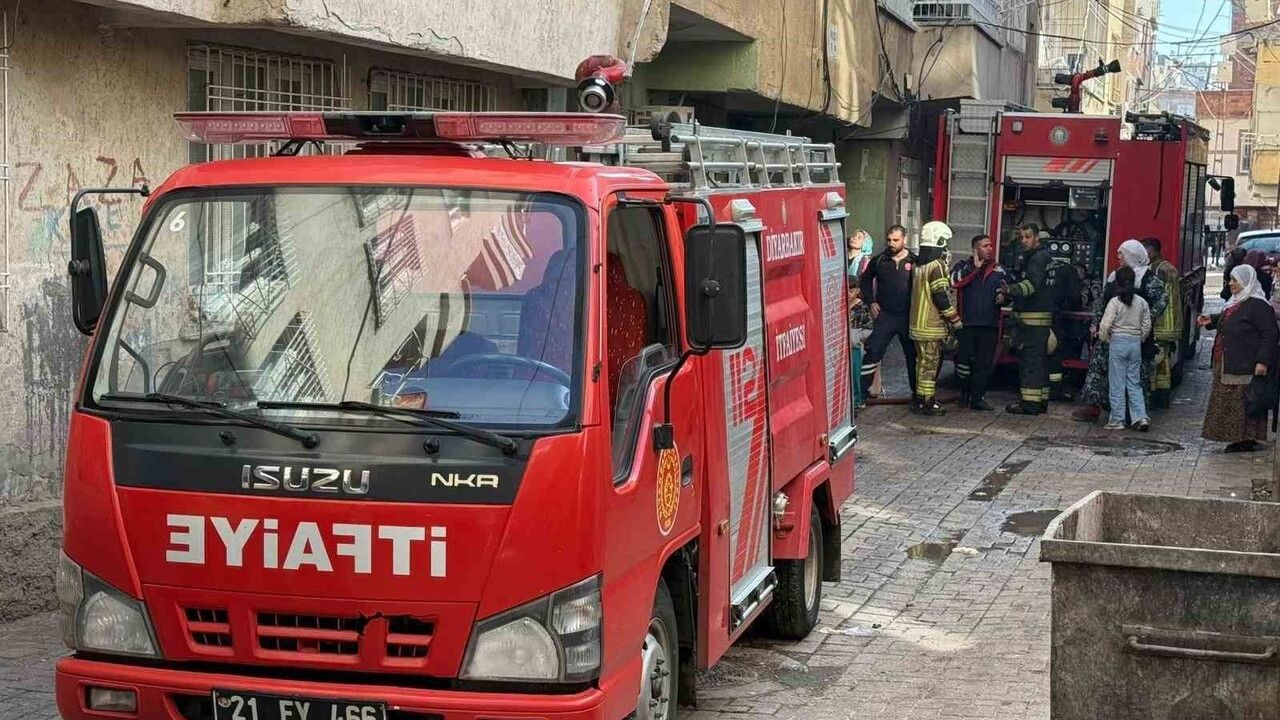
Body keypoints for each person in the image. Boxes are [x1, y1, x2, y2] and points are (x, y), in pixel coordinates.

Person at [1073, 240, 1168, 423]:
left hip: (1134, 338)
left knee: (1133, 377)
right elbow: (1103, 302)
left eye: (1121, 254)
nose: (1118, 257)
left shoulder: (1149, 280)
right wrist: (1097, 324)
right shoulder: (1114, 277)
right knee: (1098, 371)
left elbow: (1162, 301)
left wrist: (1145, 320)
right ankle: (1094, 408)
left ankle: (1131, 415)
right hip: (1109, 336)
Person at [1199, 264, 1278, 453]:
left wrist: (1262, 361)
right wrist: (1213, 320)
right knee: (1229, 401)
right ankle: (1234, 437)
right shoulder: (1237, 302)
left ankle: (1245, 439)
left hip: (1245, 364)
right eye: (1231, 280)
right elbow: (1234, 320)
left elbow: (1270, 333)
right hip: (1228, 361)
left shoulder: (1258, 305)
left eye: (1235, 280)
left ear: (1246, 282)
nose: (1231, 284)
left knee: (1244, 401)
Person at [1001, 223, 1056, 415]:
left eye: (1028, 237)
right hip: (1039, 324)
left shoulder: (1037, 259)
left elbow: (1031, 286)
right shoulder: (1044, 257)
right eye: (1022, 237)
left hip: (1031, 325)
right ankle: (1040, 402)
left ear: (1037, 238)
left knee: (1030, 365)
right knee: (1039, 365)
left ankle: (1030, 404)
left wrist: (1010, 290)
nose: (1023, 241)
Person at [909, 221, 963, 415]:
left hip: (916, 325)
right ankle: (929, 402)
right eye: (945, 243)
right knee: (931, 365)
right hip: (932, 326)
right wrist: (954, 318)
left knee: (921, 363)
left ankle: (919, 400)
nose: (946, 248)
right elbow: (940, 294)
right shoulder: (937, 265)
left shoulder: (918, 265)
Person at [859, 225, 918, 397]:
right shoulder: (879, 260)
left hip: (908, 316)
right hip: (885, 316)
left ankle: (918, 394)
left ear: (904, 240)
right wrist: (871, 302)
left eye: (896, 240)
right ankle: (861, 395)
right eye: (889, 240)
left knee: (912, 356)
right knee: (872, 352)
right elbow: (865, 280)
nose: (891, 243)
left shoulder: (914, 261)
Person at [951, 234, 1006, 411]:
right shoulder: (962, 267)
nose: (990, 248)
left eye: (990, 245)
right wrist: (973, 269)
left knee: (983, 364)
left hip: (989, 325)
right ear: (975, 250)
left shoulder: (999, 270)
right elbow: (954, 282)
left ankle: (978, 398)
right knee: (963, 363)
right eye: (985, 246)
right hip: (966, 324)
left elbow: (1007, 291)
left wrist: (1003, 296)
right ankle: (963, 393)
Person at [1099, 266, 1152, 431]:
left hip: (1118, 343)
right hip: (1135, 344)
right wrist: (1140, 338)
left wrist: (1105, 338)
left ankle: (1117, 420)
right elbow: (1147, 325)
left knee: (1117, 383)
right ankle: (1140, 417)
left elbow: (1105, 324)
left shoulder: (1115, 302)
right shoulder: (1141, 302)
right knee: (1134, 383)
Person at [1142, 237, 1181, 409]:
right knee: (1163, 360)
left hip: (1158, 323)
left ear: (1151, 252)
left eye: (1145, 252)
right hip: (1171, 324)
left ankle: (1151, 396)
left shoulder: (1154, 270)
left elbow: (1154, 298)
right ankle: (1163, 396)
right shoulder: (1169, 267)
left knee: (1152, 359)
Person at [849, 282, 873, 410]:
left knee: (855, 374)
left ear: (857, 290)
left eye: (851, 290)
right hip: (841, 347)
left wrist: (858, 338)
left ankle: (857, 399)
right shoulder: (841, 305)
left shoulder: (861, 307)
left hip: (855, 347)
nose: (848, 293)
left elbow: (869, 327)